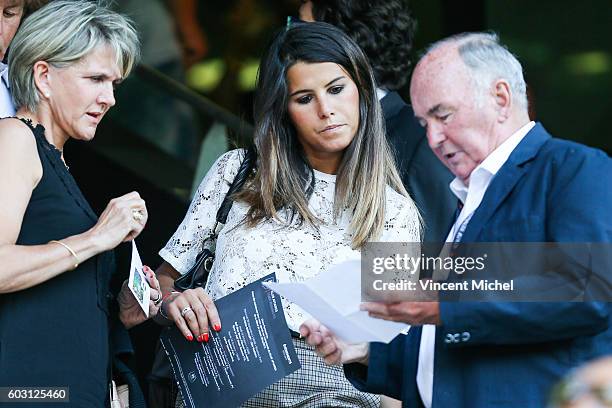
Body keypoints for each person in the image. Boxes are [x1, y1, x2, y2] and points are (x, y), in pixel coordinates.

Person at [301, 32, 612, 407]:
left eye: (442, 115)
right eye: (422, 122)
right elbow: (446, 351)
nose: (433, 138)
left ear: (500, 98)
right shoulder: (467, 199)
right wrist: (365, 351)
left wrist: (446, 301)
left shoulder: (575, 168)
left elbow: (585, 288)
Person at [155, 21, 421, 407]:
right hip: (219, 382)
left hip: (332, 393)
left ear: (362, 92)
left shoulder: (393, 211)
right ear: (284, 110)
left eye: (335, 89)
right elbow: (164, 285)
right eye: (304, 98)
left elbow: (391, 353)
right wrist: (176, 303)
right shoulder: (238, 173)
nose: (326, 110)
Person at [0, 1, 162, 406]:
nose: (109, 99)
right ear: (44, 76)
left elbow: (58, 303)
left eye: (114, 84)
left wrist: (123, 307)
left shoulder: (58, 164)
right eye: (95, 79)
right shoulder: (15, 139)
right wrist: (97, 237)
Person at [298, 0, 455, 244]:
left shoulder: (421, 139)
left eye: (302, 29)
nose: (291, 40)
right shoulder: (302, 138)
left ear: (342, 44)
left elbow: (432, 262)